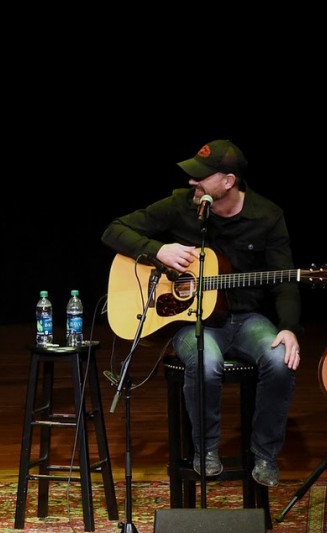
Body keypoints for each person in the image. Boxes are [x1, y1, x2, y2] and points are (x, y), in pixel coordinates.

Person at [101, 139, 301, 487]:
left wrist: (289, 326)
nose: (193, 182)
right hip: (193, 321)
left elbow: (285, 282)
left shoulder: (267, 215)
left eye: (202, 177)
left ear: (228, 181)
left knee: (281, 358)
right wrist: (158, 249)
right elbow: (114, 230)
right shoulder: (181, 204)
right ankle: (205, 450)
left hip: (246, 319)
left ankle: (265, 454)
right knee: (205, 363)